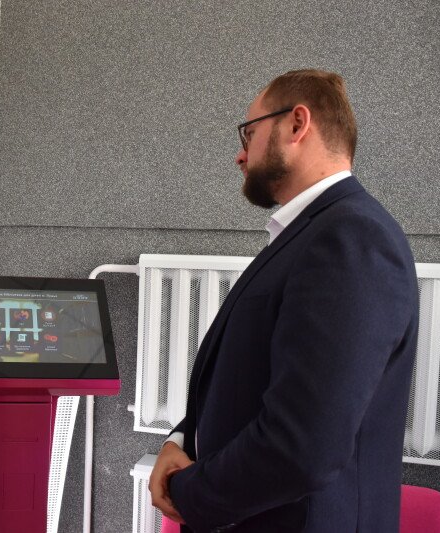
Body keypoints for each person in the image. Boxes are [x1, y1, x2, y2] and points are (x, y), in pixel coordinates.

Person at [149, 70, 419, 532]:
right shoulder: (312, 234)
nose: (240, 154)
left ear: (297, 124)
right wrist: (181, 440)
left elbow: (303, 446)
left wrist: (189, 493)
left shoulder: (351, 238)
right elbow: (251, 384)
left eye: (249, 133)